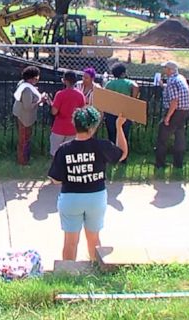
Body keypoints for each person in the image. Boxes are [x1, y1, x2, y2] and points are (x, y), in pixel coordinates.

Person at [48, 106, 128, 261]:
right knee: (94, 240)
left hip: (70, 199)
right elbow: (122, 153)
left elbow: (56, 179)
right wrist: (119, 127)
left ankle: (69, 275)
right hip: (96, 198)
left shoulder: (63, 149)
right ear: (92, 127)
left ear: (74, 124)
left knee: (70, 242)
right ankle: (96, 271)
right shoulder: (102, 146)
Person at [155, 61, 189, 169]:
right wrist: (163, 86)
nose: (164, 70)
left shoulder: (172, 81)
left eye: (165, 68)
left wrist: (168, 117)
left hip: (175, 111)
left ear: (170, 70)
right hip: (184, 110)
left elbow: (174, 101)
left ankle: (160, 164)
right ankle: (178, 164)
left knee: (162, 136)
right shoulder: (180, 78)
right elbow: (177, 92)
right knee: (179, 136)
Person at [12, 66, 47, 165]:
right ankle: (22, 161)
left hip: (22, 115)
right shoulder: (27, 90)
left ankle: (24, 159)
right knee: (24, 139)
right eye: (36, 77)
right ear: (32, 78)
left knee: (24, 139)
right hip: (24, 117)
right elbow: (28, 107)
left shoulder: (23, 84)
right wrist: (41, 100)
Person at [104, 63, 139, 162]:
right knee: (124, 135)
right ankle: (123, 158)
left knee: (112, 135)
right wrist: (133, 99)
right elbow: (136, 87)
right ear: (123, 73)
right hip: (124, 113)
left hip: (111, 113)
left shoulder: (109, 84)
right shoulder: (128, 82)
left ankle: (112, 157)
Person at [49, 70, 85, 156]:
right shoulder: (80, 95)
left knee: (56, 153)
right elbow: (82, 111)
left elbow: (54, 112)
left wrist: (51, 104)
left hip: (59, 127)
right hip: (73, 127)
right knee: (69, 154)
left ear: (64, 80)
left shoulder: (60, 94)